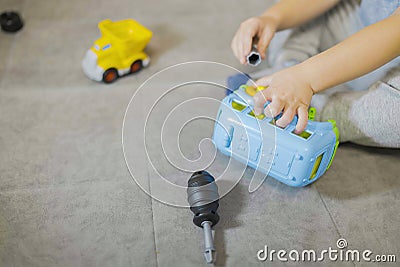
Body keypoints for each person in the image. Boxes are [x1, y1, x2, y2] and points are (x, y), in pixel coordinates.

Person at [231, 0, 400, 148]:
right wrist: (273, 18)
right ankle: (287, 74)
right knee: (295, 16)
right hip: (355, 27)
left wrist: (306, 78)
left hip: (393, 72)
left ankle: (319, 112)